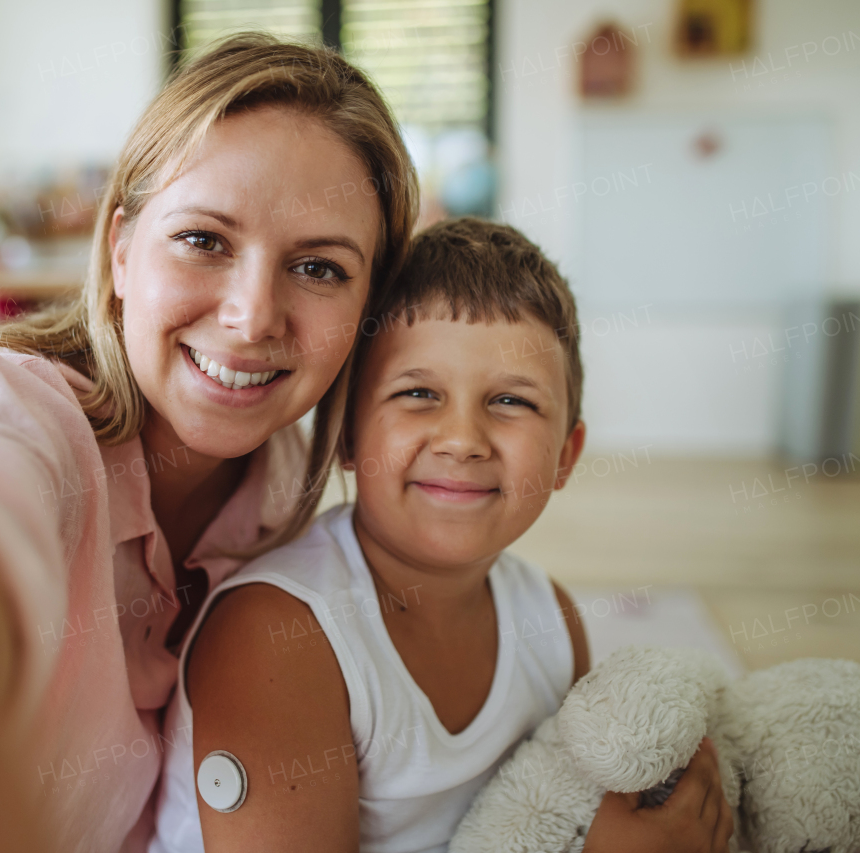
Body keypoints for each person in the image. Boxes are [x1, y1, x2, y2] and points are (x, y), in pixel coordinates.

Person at [0, 33, 419, 852]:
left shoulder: (285, 491)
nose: (252, 317)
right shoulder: (9, 413)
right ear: (120, 249)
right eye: (205, 240)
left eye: (318, 268)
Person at [154, 219, 734, 853]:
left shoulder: (551, 617)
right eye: (419, 392)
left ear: (566, 455)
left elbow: (554, 811)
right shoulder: (277, 639)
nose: (462, 439)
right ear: (345, 435)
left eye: (512, 402)